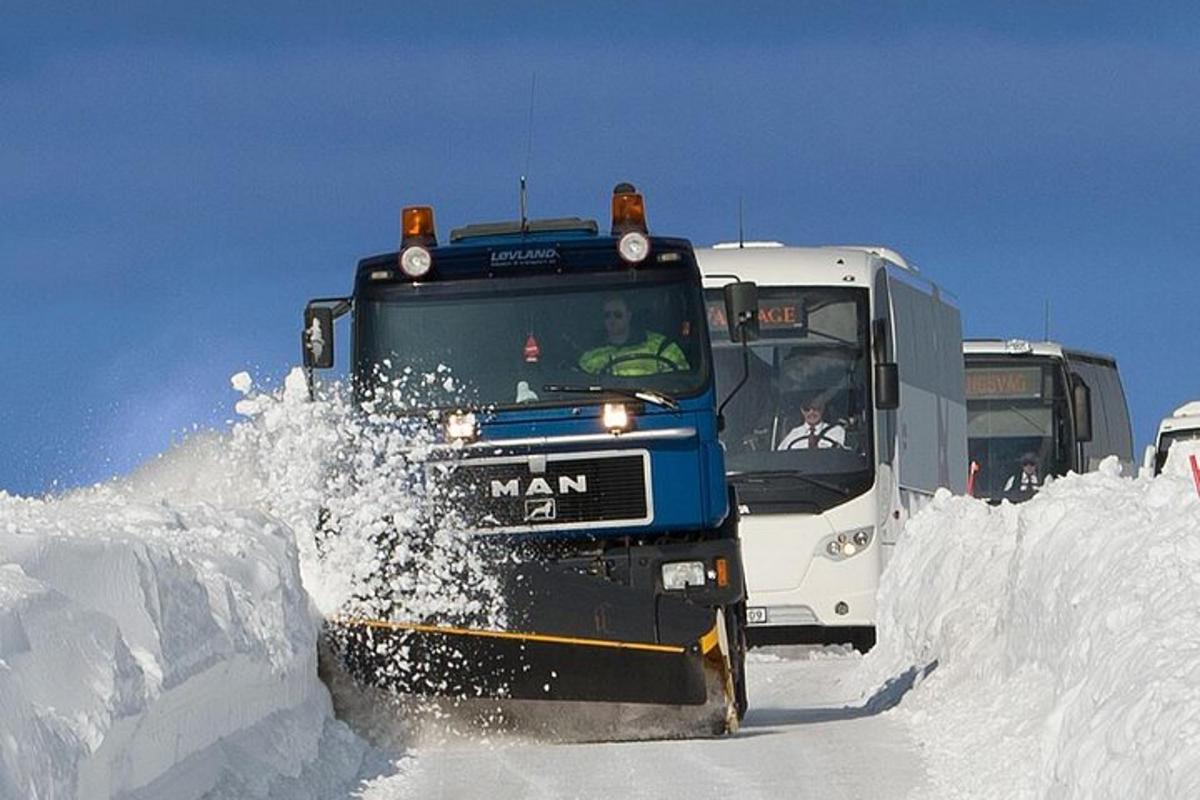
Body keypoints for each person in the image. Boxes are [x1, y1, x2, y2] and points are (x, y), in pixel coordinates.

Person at [578, 295, 689, 376]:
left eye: (618, 315)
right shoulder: (590, 354)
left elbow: (681, 379)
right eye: (607, 315)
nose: (612, 320)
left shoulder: (661, 347)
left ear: (628, 316)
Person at [777, 393, 846, 450]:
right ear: (802, 410)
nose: (811, 412)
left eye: (816, 407)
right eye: (807, 409)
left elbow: (845, 457)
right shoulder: (793, 434)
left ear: (823, 408)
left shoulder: (837, 431)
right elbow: (779, 457)